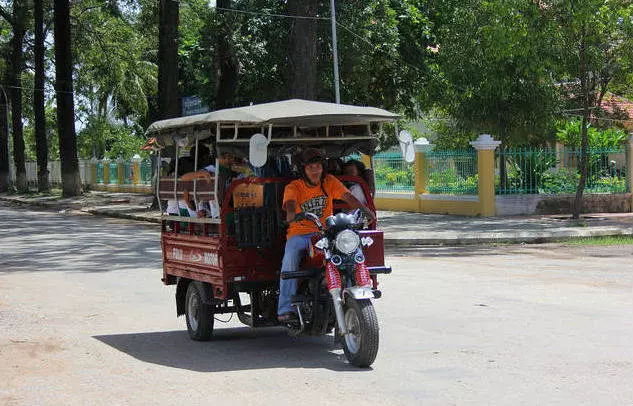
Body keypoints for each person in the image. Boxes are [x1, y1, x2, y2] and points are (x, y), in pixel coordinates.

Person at [277, 148, 376, 322]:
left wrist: (364, 209)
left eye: (318, 167)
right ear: (303, 170)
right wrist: (292, 214)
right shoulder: (294, 186)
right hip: (300, 234)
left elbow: (348, 196)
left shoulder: (329, 181)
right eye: (310, 167)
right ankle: (285, 308)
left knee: (353, 249)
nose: (315, 171)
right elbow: (290, 204)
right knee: (290, 258)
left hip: (324, 233)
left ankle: (359, 288)